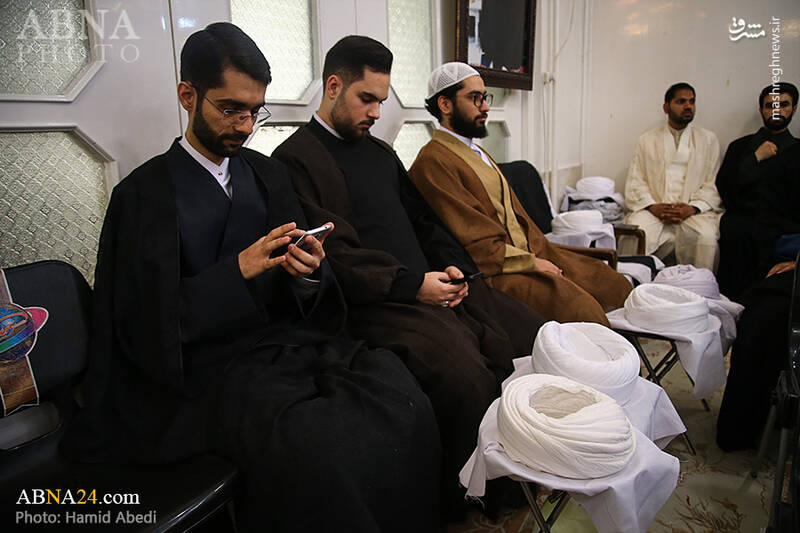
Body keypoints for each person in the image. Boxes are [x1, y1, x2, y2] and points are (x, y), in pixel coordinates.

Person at [60, 23, 441, 532]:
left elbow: (305, 289)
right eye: (230, 109)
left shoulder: (267, 174)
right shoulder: (143, 197)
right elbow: (141, 326)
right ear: (188, 96)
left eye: (255, 111)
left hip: (287, 344)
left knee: (401, 400)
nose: (244, 125)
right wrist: (236, 272)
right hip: (205, 371)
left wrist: (308, 274)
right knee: (321, 450)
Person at [272, 36, 545, 518]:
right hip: (374, 301)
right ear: (333, 87)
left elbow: (424, 221)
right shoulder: (295, 160)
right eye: (367, 99)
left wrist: (453, 267)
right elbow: (334, 253)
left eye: (381, 100)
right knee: (463, 375)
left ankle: (517, 472)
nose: (376, 113)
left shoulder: (380, 153)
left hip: (431, 284)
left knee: (526, 336)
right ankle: (466, 498)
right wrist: (412, 285)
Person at [408, 62, 631, 325]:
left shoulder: (474, 151)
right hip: (495, 272)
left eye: (485, 97)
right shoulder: (433, 161)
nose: (485, 107)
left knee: (611, 282)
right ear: (445, 104)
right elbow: (475, 242)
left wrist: (543, 256)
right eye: (475, 98)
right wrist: (532, 264)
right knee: (579, 307)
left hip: (527, 255)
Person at [717, 142, 800, 452]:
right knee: (760, 317)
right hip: (791, 266)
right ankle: (745, 429)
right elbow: (771, 219)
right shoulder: (789, 161)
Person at [624, 82, 722, 270]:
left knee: (706, 238)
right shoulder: (647, 140)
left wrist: (693, 208)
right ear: (666, 107)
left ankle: (699, 285)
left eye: (692, 101)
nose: (688, 106)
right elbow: (637, 180)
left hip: (692, 211)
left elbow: (713, 181)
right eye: (681, 102)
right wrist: (653, 206)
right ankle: (635, 282)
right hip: (655, 209)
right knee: (636, 233)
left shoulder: (708, 140)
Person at [715, 82, 798, 302]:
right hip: (743, 222)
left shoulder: (797, 151)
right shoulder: (740, 147)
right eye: (770, 106)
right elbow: (726, 187)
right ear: (761, 110)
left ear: (794, 109)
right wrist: (755, 159)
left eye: (784, 105)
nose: (776, 111)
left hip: (784, 227)